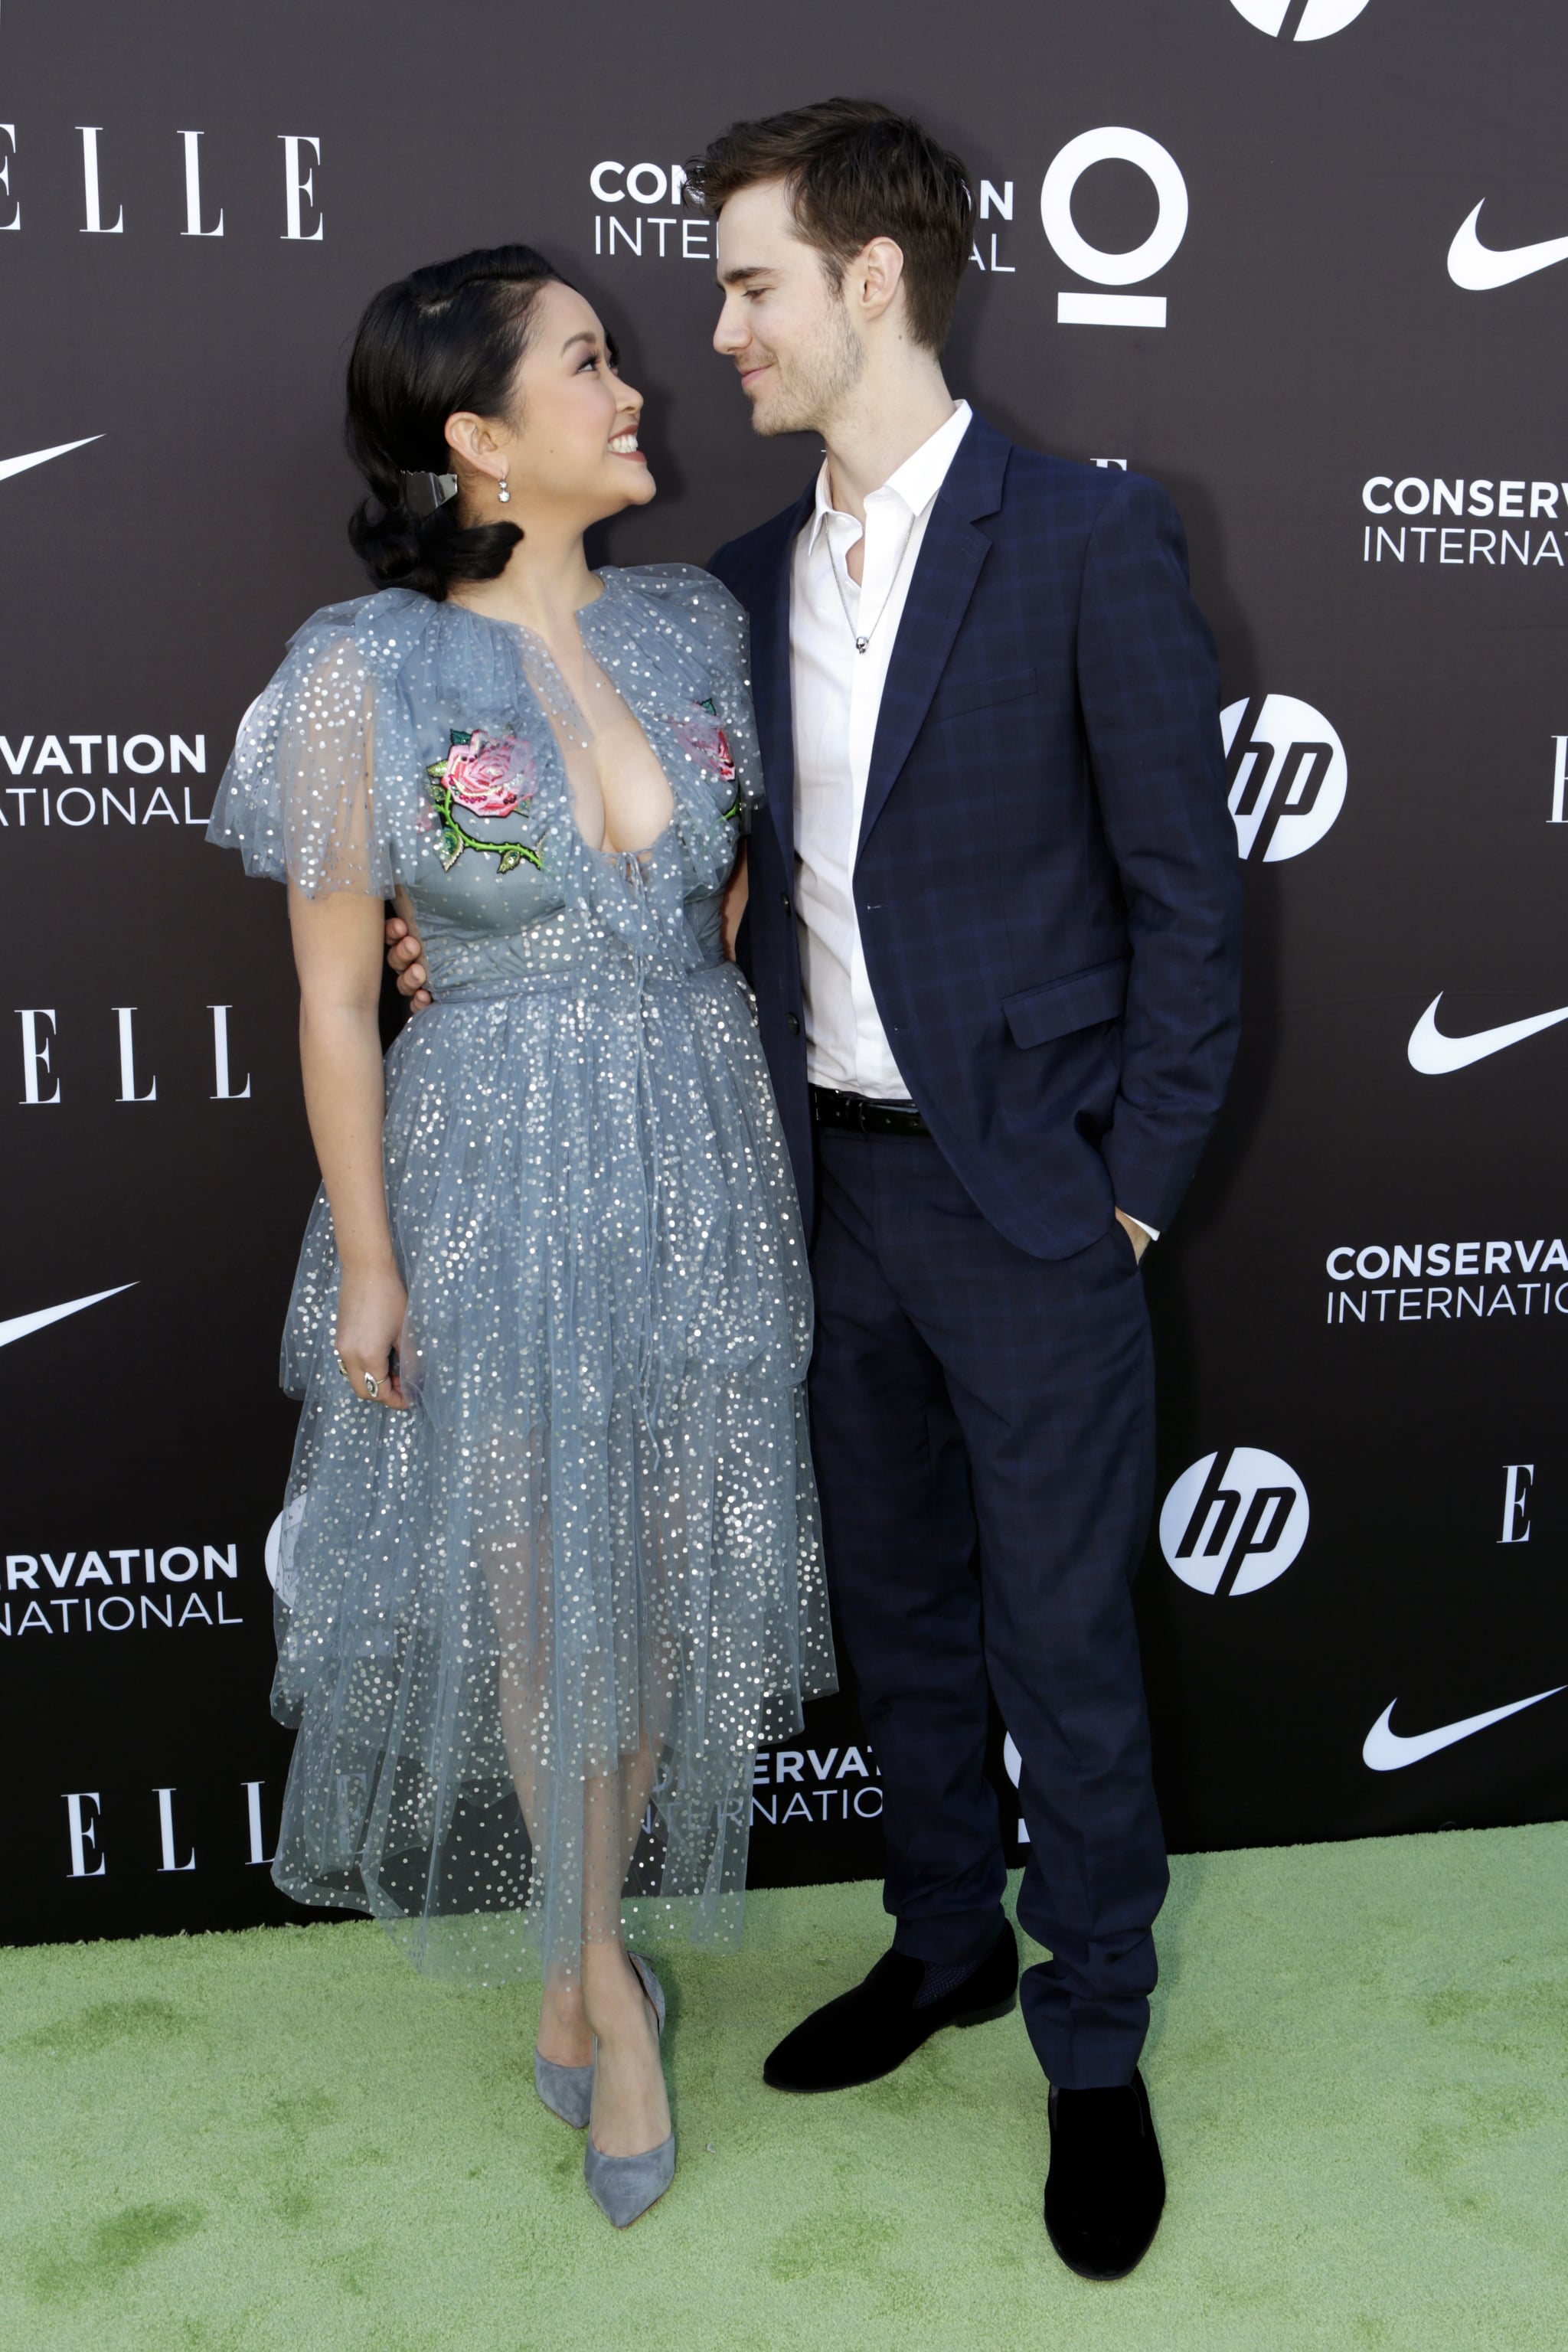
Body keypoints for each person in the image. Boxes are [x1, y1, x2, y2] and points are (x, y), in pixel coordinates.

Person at [390, 101, 1242, 2279]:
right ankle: (944, 1944)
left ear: (869, 282)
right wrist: (463, 922)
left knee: (1069, 1642)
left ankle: (1095, 2049)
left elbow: (1186, 902)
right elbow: (636, 832)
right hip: (817, 1204)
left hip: (1036, 1208)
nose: (720, 329)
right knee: (902, 1623)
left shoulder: (1085, 535)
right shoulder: (731, 593)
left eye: (752, 283)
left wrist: (1133, 1194)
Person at [207, 244, 835, 2230]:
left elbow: (724, 919)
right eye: (585, 364)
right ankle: (604, 2010)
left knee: (645, 1613)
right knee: (547, 1621)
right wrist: (374, 1266)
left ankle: (582, 1960)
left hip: (693, 1155)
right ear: (477, 436)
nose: (635, 387)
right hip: (488, 1163)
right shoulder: (355, 673)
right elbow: (330, 1003)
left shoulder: (695, 632)